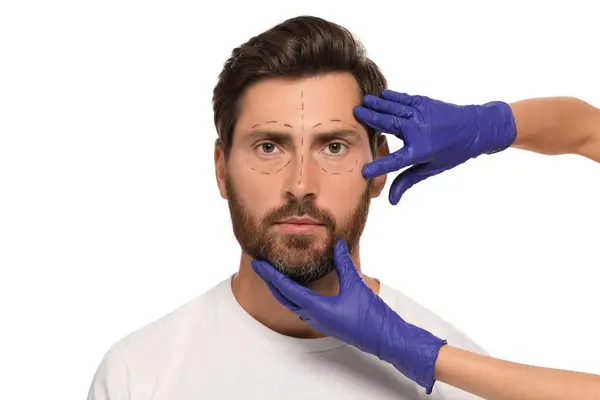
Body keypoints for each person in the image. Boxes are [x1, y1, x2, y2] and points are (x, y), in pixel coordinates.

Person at [86, 16, 599, 400]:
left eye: (334, 146)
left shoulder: (459, 385)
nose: (300, 184)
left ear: (380, 166)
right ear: (221, 170)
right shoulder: (138, 376)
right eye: (269, 147)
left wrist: (493, 125)